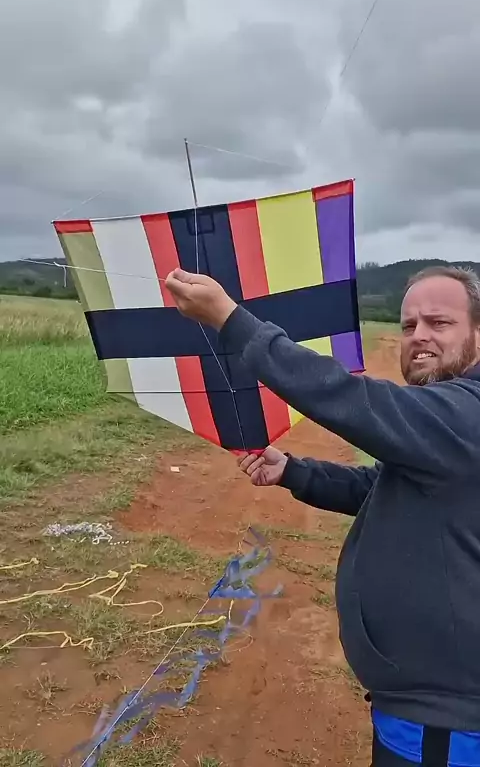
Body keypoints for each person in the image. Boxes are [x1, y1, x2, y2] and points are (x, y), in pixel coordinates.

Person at [165, 264, 480, 767]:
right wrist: (292, 470)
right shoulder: (450, 426)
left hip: (446, 726)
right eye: (408, 325)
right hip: (426, 709)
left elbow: (350, 398)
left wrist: (231, 320)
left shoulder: (466, 414)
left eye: (439, 323)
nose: (419, 336)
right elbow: (381, 488)